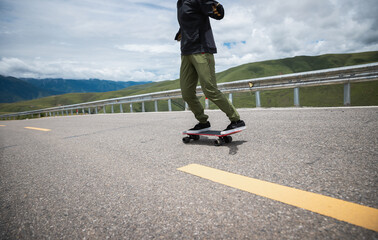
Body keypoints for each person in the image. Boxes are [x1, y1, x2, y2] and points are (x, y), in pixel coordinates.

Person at [175, 0, 245, 133]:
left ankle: (236, 120)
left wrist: (216, 6)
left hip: (202, 50)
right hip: (186, 52)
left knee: (210, 89)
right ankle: (203, 122)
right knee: (187, 93)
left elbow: (219, 14)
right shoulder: (180, 3)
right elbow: (190, 19)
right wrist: (182, 32)